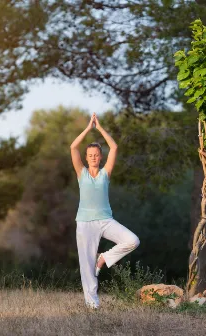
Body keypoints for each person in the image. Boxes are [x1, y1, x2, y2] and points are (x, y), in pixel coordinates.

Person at [70, 112, 140, 309]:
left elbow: (114, 147)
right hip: (84, 223)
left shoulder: (105, 173)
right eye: (90, 155)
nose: (93, 157)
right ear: (87, 157)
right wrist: (87, 128)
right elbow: (73, 147)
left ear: (100, 157)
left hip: (106, 220)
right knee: (86, 266)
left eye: (96, 155)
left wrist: (99, 128)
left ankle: (104, 258)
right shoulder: (81, 173)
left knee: (132, 240)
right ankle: (93, 306)